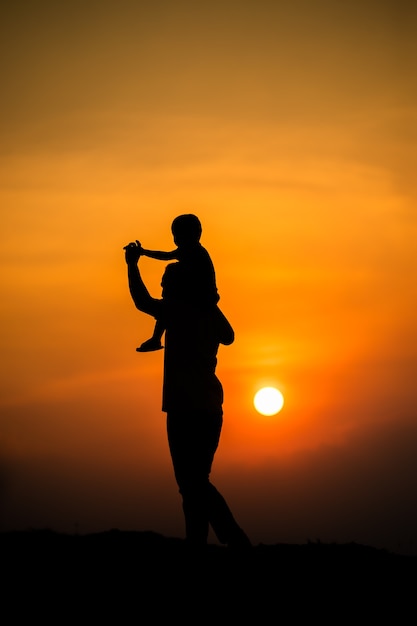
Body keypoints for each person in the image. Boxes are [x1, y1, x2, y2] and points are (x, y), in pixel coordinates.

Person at [124, 217, 251, 549]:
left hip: (184, 407)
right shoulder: (206, 312)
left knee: (192, 482)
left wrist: (132, 266)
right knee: (194, 483)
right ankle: (199, 542)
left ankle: (235, 542)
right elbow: (229, 336)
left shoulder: (176, 311)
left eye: (168, 284)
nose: (164, 288)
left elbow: (143, 302)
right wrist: (210, 304)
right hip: (209, 408)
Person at [134, 214, 219, 352]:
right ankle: (156, 338)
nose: (176, 240)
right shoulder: (190, 251)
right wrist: (144, 252)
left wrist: (143, 252)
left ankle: (156, 338)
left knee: (170, 302)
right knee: (168, 305)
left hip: (202, 298)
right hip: (194, 296)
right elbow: (167, 255)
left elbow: (166, 256)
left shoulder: (195, 252)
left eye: (178, 235)